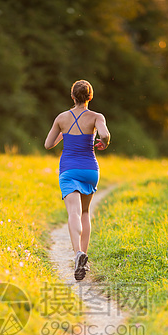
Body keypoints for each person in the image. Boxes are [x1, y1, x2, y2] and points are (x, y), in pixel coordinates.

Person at [44, 79, 110, 281]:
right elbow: (105, 135)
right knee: (84, 211)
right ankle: (84, 257)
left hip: (68, 170)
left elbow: (48, 144)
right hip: (90, 169)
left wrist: (64, 135)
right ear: (90, 97)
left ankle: (78, 254)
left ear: (72, 96)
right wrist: (103, 142)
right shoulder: (96, 117)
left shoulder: (61, 118)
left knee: (73, 211)